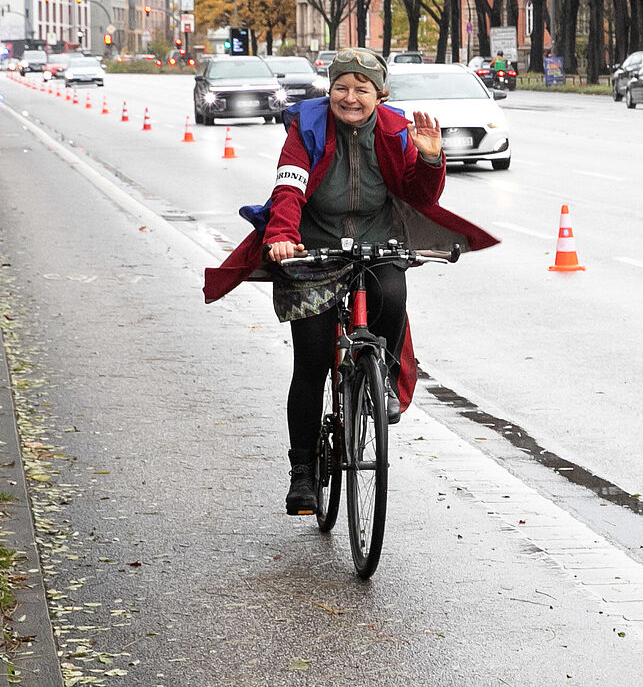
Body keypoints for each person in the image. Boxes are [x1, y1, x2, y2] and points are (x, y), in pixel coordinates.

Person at [203, 48, 498, 515]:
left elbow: (419, 196)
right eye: (342, 86)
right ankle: (302, 473)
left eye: (362, 89)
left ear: (380, 94)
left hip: (377, 242)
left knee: (392, 293)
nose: (351, 97)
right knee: (312, 361)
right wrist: (281, 236)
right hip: (313, 246)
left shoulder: (396, 130)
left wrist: (429, 159)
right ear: (330, 89)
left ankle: (377, 380)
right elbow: (289, 188)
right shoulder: (308, 128)